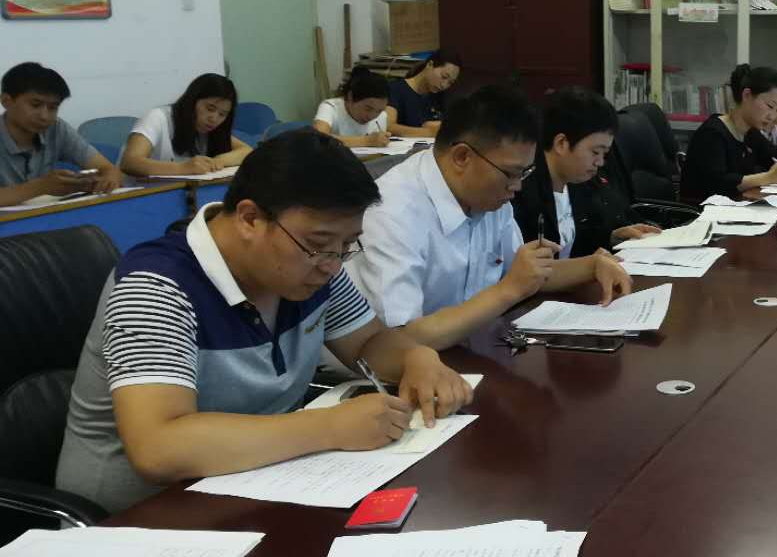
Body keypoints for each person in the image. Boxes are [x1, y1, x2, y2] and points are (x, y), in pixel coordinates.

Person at [55, 130, 471, 514]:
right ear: (250, 218)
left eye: (346, 245)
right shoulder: (158, 287)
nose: (332, 264)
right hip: (139, 519)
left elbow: (368, 342)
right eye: (319, 245)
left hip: (256, 483)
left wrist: (417, 359)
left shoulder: (309, 269)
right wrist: (327, 427)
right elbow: (159, 448)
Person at [347, 85, 631, 351]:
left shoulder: (489, 195)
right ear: (462, 157)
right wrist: (507, 290)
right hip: (400, 371)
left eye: (525, 173)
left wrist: (591, 266)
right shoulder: (392, 214)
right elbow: (399, 341)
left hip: (472, 350)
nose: (517, 186)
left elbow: (526, 274)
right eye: (511, 173)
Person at [511, 87, 659, 257]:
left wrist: (612, 237)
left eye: (604, 154)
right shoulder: (521, 191)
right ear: (561, 143)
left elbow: (580, 241)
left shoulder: (579, 181)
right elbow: (536, 265)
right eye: (595, 152)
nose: (600, 162)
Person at [0, 61, 122, 206]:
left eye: (53, 107)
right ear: (6, 101)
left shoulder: (56, 128)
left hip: (43, 213)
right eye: (35, 105)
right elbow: (40, 188)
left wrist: (104, 181)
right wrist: (40, 187)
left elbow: (108, 169)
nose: (44, 116)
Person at [678, 64, 777, 202]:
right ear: (747, 95)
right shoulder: (712, 133)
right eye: (770, 106)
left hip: (737, 205)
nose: (772, 116)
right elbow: (718, 184)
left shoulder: (750, 133)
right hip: (703, 210)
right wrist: (768, 177)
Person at [121, 73, 251, 177]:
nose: (214, 119)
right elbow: (130, 162)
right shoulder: (157, 118)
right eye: (210, 109)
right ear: (192, 101)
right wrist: (181, 168)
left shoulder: (210, 130)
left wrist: (216, 162)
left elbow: (246, 151)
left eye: (222, 114)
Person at [387, 52, 461, 138]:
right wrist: (430, 132)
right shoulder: (395, 89)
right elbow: (389, 126)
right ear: (430, 65)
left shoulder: (439, 95)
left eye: (450, 83)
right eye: (444, 77)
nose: (444, 85)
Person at [313, 68, 391, 148]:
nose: (372, 116)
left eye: (379, 111)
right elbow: (318, 139)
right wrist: (366, 141)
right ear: (350, 97)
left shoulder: (382, 115)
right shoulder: (330, 108)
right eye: (368, 109)